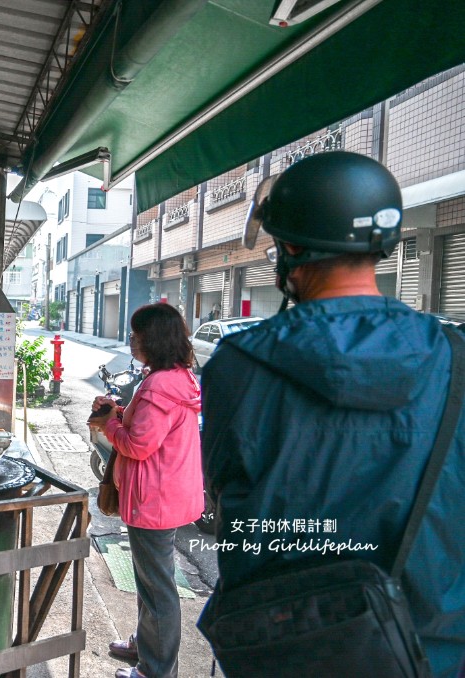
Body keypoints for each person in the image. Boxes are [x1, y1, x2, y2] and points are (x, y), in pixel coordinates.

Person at [199, 151, 464, 676]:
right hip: (428, 653)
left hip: (283, 646)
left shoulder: (238, 364)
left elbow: (222, 489)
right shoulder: (455, 360)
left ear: (289, 247)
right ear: (383, 244)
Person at [88, 303, 204, 678]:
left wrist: (109, 424)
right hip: (165, 493)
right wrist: (119, 413)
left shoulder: (158, 386)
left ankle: (155, 670)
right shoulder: (175, 377)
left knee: (157, 590)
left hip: (154, 499)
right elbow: (149, 431)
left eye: (137, 335)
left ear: (153, 339)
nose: (132, 341)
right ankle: (145, 643)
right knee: (151, 581)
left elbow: (138, 445)